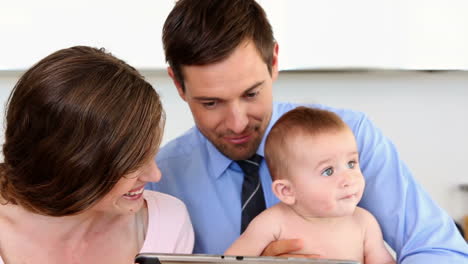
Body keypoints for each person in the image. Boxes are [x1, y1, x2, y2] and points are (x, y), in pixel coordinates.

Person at [147, 0, 468, 262]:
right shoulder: (162, 177)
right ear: (178, 83)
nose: (237, 123)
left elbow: (440, 250)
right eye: (211, 103)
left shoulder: (349, 140)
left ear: (274, 61)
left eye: (251, 94)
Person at [0, 46, 194, 263]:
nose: (154, 175)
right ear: (71, 161)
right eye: (132, 162)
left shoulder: (166, 222)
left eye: (150, 153)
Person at [225, 107, 395, 264]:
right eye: (328, 171)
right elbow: (227, 261)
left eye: (351, 163)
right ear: (287, 191)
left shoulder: (364, 223)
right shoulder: (272, 224)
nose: (349, 178)